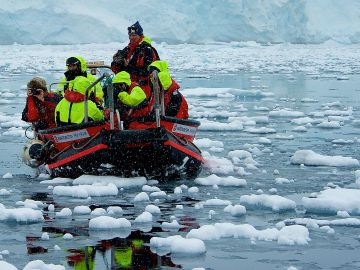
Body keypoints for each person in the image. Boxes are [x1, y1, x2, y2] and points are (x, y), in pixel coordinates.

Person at [111, 21, 159, 86]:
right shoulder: (127, 50)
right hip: (127, 85)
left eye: (134, 35)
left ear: (140, 35)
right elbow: (117, 71)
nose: (131, 38)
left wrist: (128, 67)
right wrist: (115, 63)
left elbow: (147, 73)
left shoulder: (147, 50)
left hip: (143, 88)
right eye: (130, 35)